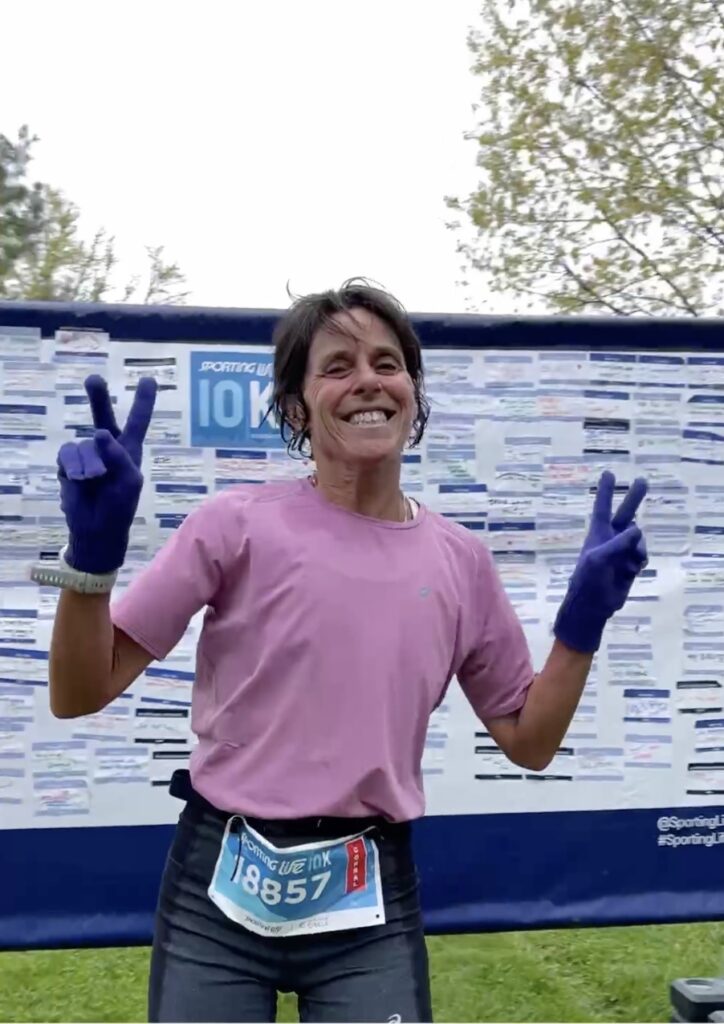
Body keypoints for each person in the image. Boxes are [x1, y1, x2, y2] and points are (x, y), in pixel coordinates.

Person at [42, 280, 648, 1024]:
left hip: (369, 899)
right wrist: (90, 563)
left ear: (413, 395)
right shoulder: (232, 526)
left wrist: (582, 624)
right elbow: (78, 692)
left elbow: (530, 738)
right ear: (297, 408)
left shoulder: (460, 561)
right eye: (337, 366)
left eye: (388, 363)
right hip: (218, 888)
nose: (368, 380)